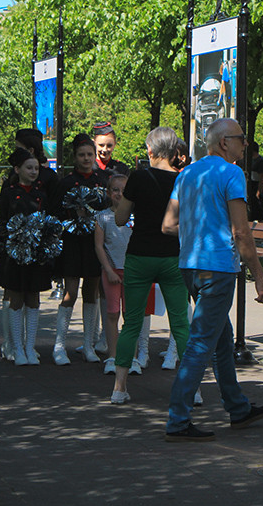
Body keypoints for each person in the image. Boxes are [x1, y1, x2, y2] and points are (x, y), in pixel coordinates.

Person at [161, 118, 263, 441]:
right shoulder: (231, 173)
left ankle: (237, 407)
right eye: (241, 139)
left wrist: (198, 232)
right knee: (200, 343)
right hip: (219, 268)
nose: (244, 145)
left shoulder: (187, 173)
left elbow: (168, 225)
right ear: (224, 142)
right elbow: (241, 232)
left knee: (220, 338)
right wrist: (260, 279)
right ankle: (178, 418)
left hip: (190, 266)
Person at [109, 127, 192, 404]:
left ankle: (120, 387)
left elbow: (120, 219)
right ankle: (194, 389)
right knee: (180, 324)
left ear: (150, 151)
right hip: (172, 257)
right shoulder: (183, 180)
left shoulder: (139, 178)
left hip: (139, 256)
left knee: (131, 323)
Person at [50, 133, 108, 365]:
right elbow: (54, 213)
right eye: (82, 155)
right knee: (70, 292)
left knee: (91, 293)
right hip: (72, 244)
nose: (86, 158)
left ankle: (89, 345)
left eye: (90, 155)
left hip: (94, 244)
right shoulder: (64, 183)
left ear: (95, 156)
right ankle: (59, 345)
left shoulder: (102, 181)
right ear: (74, 157)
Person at [0, 148, 50, 366]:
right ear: (17, 169)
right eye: (29, 167)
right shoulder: (8, 193)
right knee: (16, 298)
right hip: (14, 254)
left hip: (35, 254)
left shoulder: (41, 194)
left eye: (36, 168)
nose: (34, 171)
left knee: (33, 299)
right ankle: (16, 348)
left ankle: (29, 347)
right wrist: (12, 238)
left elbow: (48, 222)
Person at [94, 174, 131, 376]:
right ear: (109, 193)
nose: (120, 194)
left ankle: (130, 357)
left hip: (132, 272)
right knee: (111, 313)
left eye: (124, 190)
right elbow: (99, 246)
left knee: (130, 315)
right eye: (115, 190)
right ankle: (113, 355)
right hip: (111, 271)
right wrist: (108, 270)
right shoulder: (103, 218)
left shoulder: (135, 217)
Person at [247, 141, 263, 221]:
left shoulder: (260, 161)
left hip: (256, 185)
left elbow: (262, 177)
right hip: (250, 184)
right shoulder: (248, 160)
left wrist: (259, 191)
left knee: (257, 207)